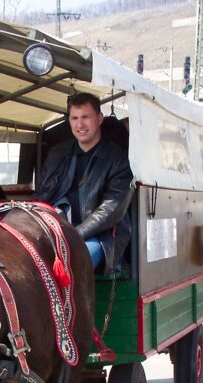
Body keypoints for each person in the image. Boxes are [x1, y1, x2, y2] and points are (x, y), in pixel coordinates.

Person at [35, 92, 133, 274]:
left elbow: (110, 211)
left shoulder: (118, 159)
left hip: (101, 237)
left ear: (99, 118)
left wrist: (74, 234)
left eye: (85, 117)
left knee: (72, 265)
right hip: (59, 230)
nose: (80, 124)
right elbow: (42, 196)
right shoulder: (58, 154)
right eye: (74, 118)